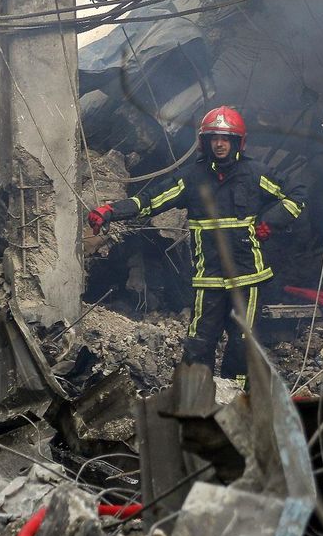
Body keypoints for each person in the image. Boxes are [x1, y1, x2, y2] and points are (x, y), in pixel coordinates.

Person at [87, 106, 306, 385]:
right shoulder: (191, 177)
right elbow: (151, 200)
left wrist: (271, 221)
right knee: (199, 340)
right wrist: (111, 211)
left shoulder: (255, 174)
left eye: (225, 138)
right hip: (209, 277)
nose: (219, 144)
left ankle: (236, 396)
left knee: (243, 340)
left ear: (238, 142)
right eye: (214, 138)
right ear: (205, 142)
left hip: (248, 276)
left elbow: (297, 194)